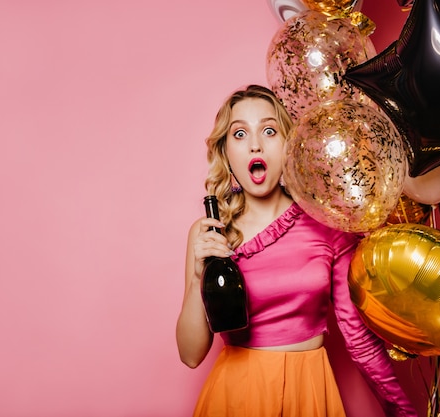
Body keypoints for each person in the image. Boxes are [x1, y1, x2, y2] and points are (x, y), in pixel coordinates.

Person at [176, 84, 417, 417]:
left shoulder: (327, 223)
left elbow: (359, 340)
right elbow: (190, 355)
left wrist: (403, 412)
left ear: (290, 144)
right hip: (237, 396)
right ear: (226, 152)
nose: (255, 145)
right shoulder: (211, 233)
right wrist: (197, 276)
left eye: (269, 131)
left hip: (311, 394)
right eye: (240, 134)